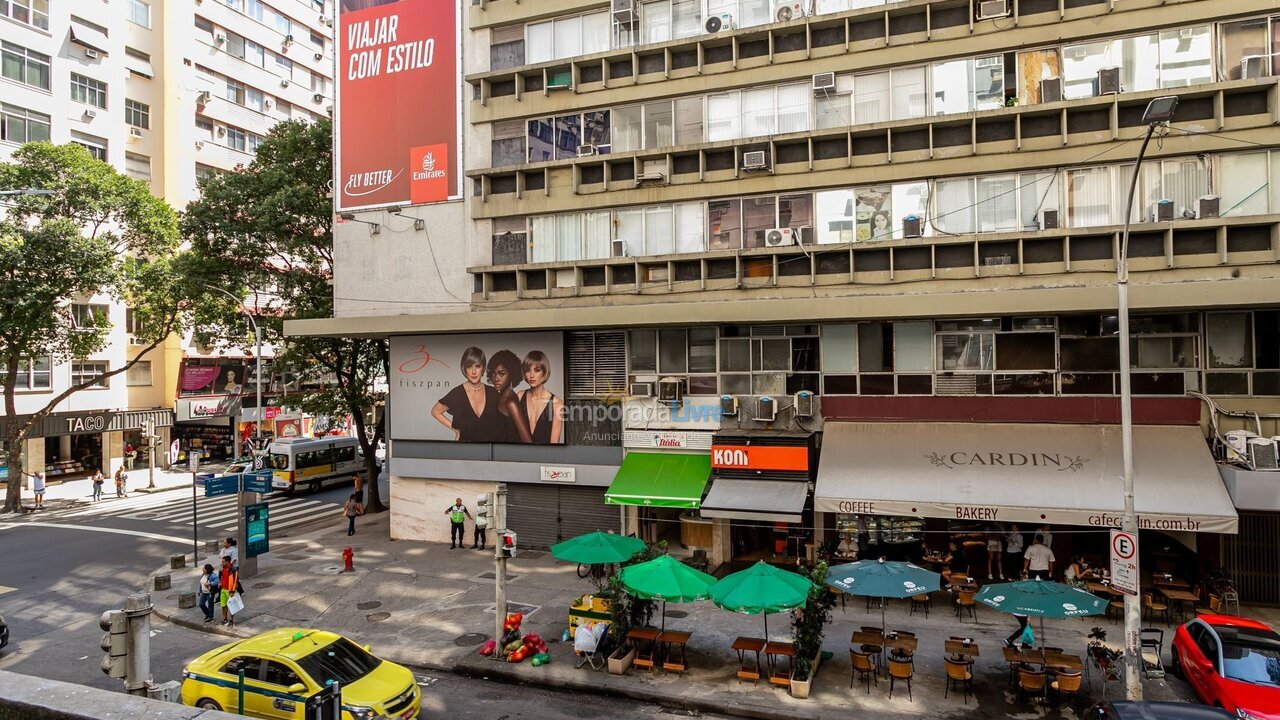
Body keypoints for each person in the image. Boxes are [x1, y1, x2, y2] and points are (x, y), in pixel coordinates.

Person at [432, 347, 502, 442]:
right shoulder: (457, 394)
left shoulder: (493, 393)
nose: (473, 372)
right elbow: (435, 411)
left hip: (489, 448)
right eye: (469, 366)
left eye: (477, 366)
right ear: (464, 369)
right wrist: (455, 430)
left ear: (483, 368)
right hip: (464, 448)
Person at [485, 350, 533, 443]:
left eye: (501, 374)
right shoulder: (499, 397)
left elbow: (528, 441)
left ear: (512, 374)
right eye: (493, 374)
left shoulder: (511, 403)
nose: (496, 378)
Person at [518, 351, 563, 444]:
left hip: (545, 453)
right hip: (520, 452)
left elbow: (554, 445)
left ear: (544, 372)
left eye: (537, 370)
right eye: (528, 370)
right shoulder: (520, 396)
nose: (531, 375)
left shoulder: (557, 404)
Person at [218, 555, 239, 626]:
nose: (222, 563)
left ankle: (231, 620)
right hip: (223, 589)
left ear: (227, 562)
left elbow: (235, 581)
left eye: (223, 562)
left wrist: (232, 591)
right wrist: (220, 582)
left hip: (230, 591)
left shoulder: (233, 569)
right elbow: (222, 576)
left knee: (232, 606)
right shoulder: (223, 568)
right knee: (223, 605)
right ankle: (225, 619)